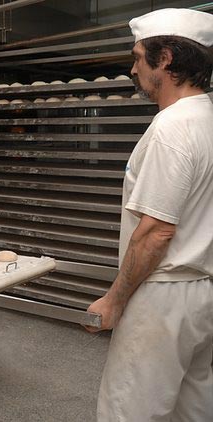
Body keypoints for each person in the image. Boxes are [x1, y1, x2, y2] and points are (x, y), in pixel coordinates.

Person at [84, 8, 213, 422]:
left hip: (162, 296)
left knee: (129, 410)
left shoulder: (172, 128)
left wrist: (114, 300)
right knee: (193, 407)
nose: (133, 68)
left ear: (166, 58)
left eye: (139, 57)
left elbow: (156, 231)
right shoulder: (208, 118)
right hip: (202, 292)